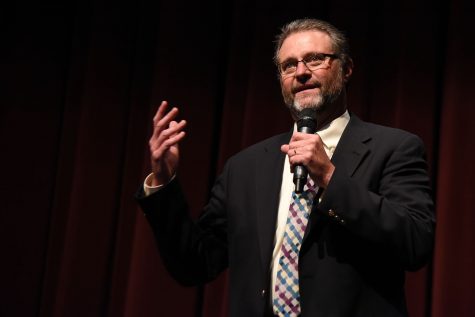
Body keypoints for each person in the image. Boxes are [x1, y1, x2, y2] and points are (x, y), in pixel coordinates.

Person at [136, 18, 435, 317]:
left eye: (315, 60)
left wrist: (330, 178)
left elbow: (415, 242)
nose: (301, 72)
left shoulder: (394, 148)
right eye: (289, 65)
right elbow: (195, 264)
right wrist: (163, 181)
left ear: (346, 69)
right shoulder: (244, 167)